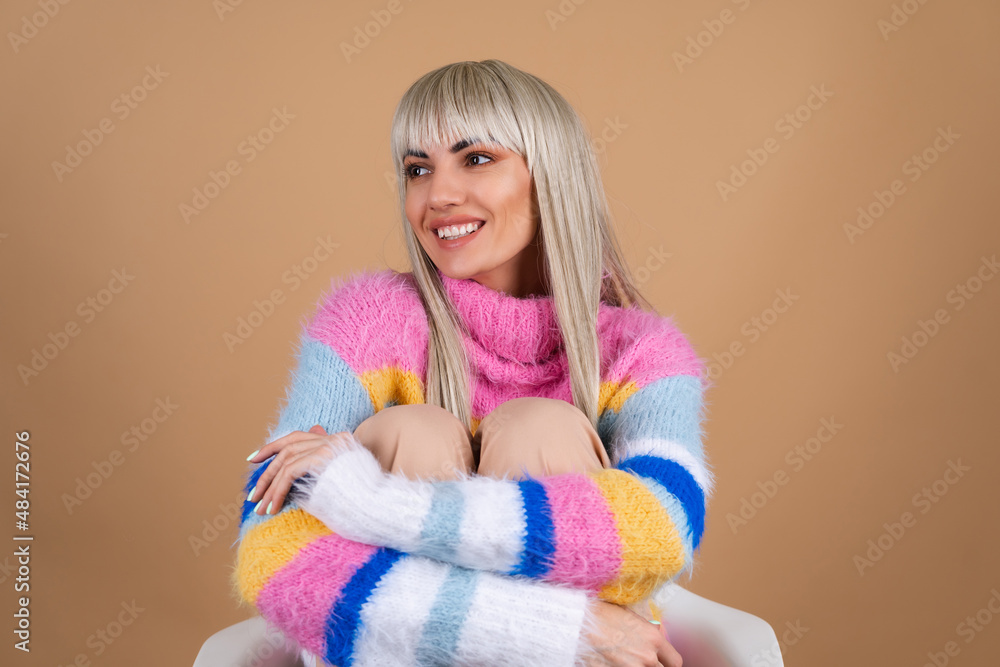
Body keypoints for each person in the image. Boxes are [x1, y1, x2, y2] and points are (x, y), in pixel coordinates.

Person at [231, 59, 713, 667]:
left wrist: (366, 500)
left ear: (549, 176)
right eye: (417, 169)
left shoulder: (643, 352)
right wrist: (547, 629)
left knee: (540, 429)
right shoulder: (367, 320)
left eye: (477, 158)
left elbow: (663, 528)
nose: (438, 196)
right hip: (517, 648)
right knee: (415, 432)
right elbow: (269, 554)